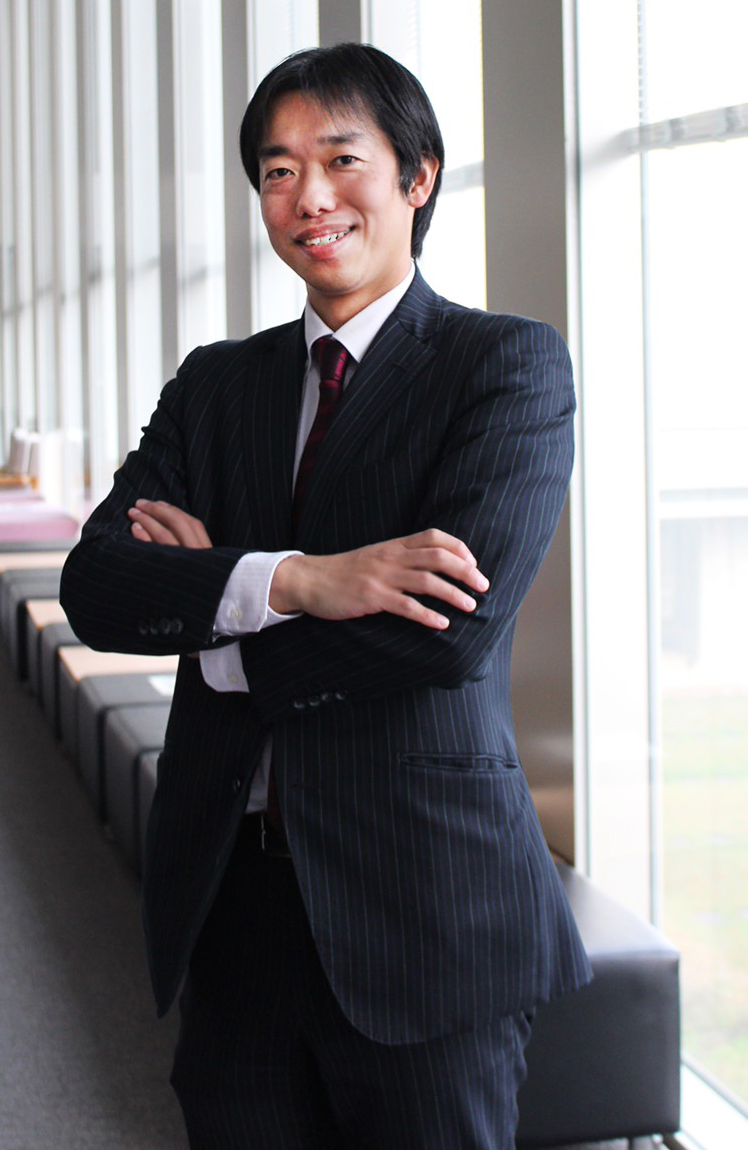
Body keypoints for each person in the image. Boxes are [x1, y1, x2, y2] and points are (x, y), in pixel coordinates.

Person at [60, 42, 591, 1150]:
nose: (308, 197)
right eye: (277, 170)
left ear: (417, 175)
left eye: (341, 159)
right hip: (234, 905)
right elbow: (98, 586)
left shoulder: (504, 367)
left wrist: (218, 624)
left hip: (426, 912)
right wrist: (300, 579)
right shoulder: (216, 384)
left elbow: (447, 635)